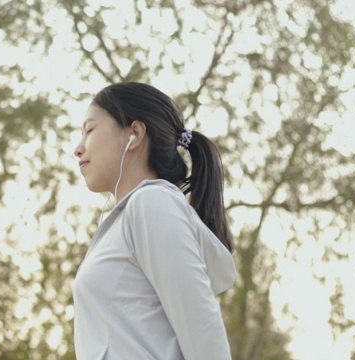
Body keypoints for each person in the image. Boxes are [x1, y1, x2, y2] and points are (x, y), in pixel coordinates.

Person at [72, 82, 236, 359]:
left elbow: (204, 334)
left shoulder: (152, 204)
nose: (78, 148)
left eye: (89, 130)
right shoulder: (125, 219)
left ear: (134, 134)